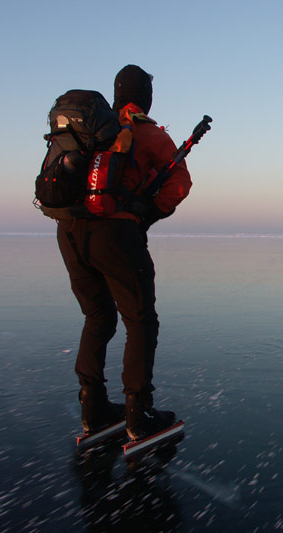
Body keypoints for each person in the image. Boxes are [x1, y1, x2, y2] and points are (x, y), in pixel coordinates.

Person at [56, 64, 192, 441]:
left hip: (68, 231)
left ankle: (93, 407)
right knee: (140, 320)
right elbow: (179, 184)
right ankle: (139, 414)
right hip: (114, 233)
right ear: (145, 96)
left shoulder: (91, 130)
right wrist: (148, 214)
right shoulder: (146, 132)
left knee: (98, 316)